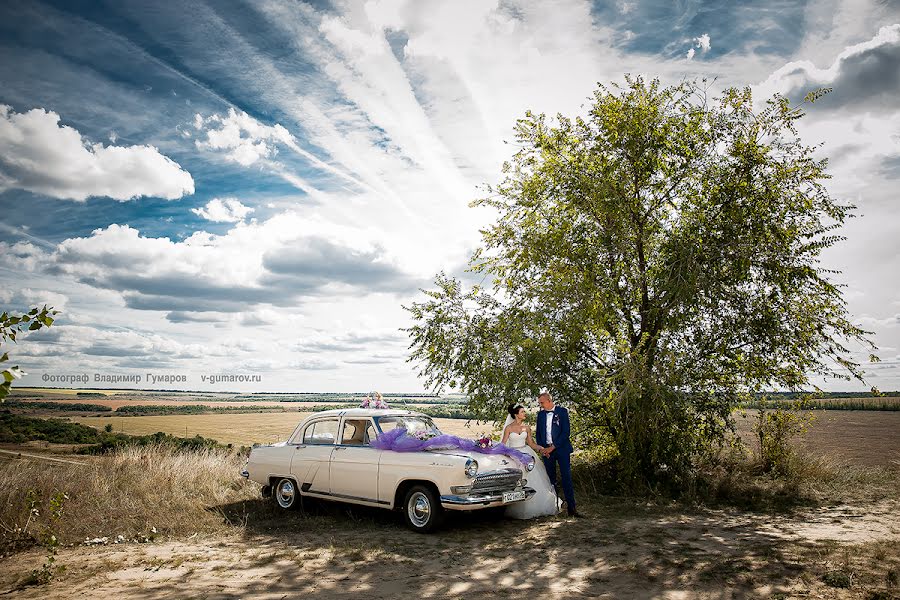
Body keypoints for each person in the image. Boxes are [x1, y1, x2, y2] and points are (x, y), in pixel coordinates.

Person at [501, 403, 561, 519]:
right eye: (522, 412)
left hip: (527, 454)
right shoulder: (509, 428)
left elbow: (531, 443)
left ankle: (535, 507)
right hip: (514, 456)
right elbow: (503, 444)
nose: (525, 413)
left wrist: (542, 449)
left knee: (533, 479)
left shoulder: (527, 428)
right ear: (516, 414)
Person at [535, 391, 579, 517]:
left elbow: (566, 432)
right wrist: (543, 449)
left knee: (566, 478)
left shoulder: (562, 412)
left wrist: (553, 447)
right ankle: (554, 508)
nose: (540, 405)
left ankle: (572, 508)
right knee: (550, 480)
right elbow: (538, 434)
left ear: (549, 401)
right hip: (547, 452)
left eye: (542, 403)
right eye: (539, 403)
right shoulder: (541, 415)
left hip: (561, 450)